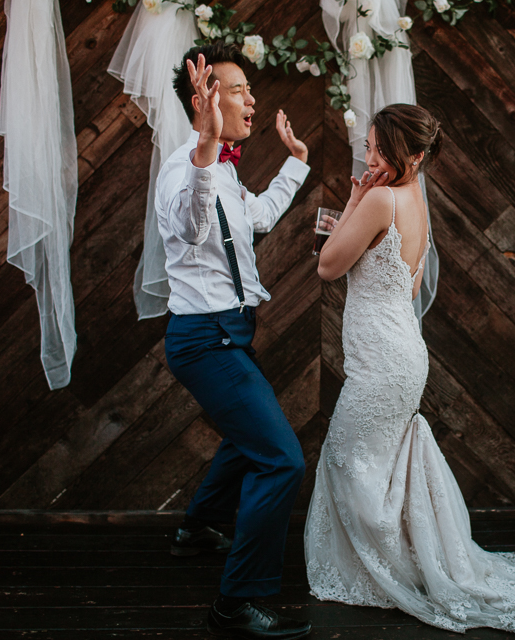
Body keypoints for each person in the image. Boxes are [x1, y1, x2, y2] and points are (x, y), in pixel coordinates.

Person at [305, 104, 515, 632]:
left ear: (408, 154)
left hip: (383, 362)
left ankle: (391, 572)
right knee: (379, 466)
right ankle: (408, 563)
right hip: (400, 353)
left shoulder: (380, 198)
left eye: (378, 147)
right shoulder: (412, 201)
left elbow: (327, 266)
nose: (369, 153)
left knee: (350, 461)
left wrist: (355, 200)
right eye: (371, 144)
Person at [156, 42, 312, 640]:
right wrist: (199, 153)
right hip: (204, 340)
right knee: (282, 459)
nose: (253, 98)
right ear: (207, 99)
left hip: (231, 334)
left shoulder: (224, 168)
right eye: (239, 89)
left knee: (251, 440)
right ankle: (236, 603)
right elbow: (192, 227)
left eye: (250, 89)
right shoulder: (184, 169)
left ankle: (195, 529)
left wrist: (295, 162)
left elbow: (258, 218)